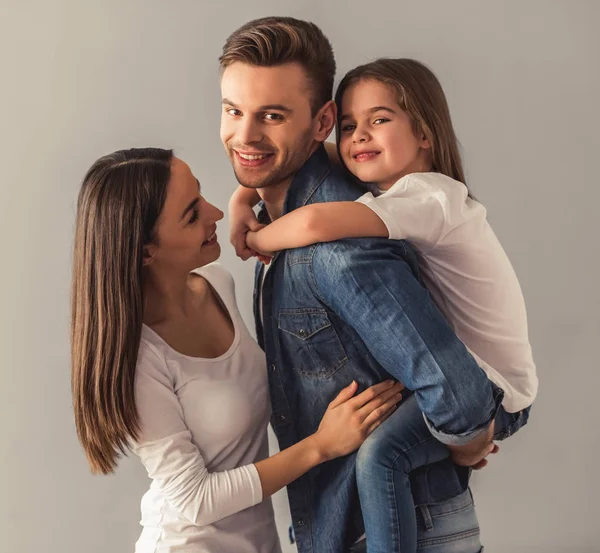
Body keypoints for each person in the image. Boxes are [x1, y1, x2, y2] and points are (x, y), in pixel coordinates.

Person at [231, 57, 538, 553]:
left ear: (425, 134)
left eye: (379, 120)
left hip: (493, 387)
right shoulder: (398, 195)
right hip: (484, 382)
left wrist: (258, 235)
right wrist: (245, 194)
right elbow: (306, 155)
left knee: (378, 456)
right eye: (349, 126)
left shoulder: (426, 199)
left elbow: (312, 225)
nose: (357, 138)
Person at [70, 147, 403, 553]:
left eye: (203, 196)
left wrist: (244, 196)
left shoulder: (217, 284)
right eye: (192, 214)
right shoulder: (140, 360)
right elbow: (193, 499)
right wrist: (321, 445)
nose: (216, 214)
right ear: (145, 251)